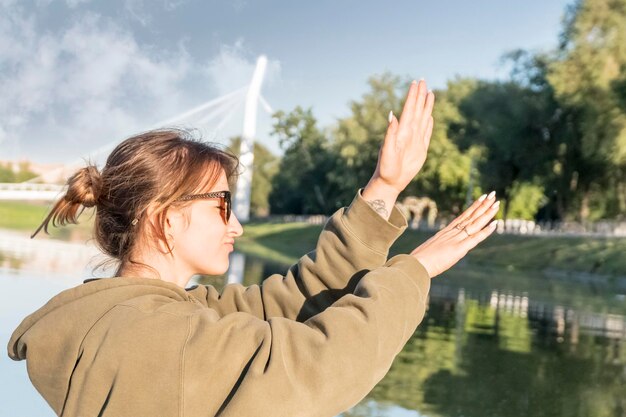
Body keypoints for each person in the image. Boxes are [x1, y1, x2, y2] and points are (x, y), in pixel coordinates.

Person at [7, 80, 499, 417]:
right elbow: (316, 366)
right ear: (168, 217)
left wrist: (384, 188)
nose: (238, 226)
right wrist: (416, 271)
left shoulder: (151, 315)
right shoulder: (153, 338)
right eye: (223, 204)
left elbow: (284, 305)